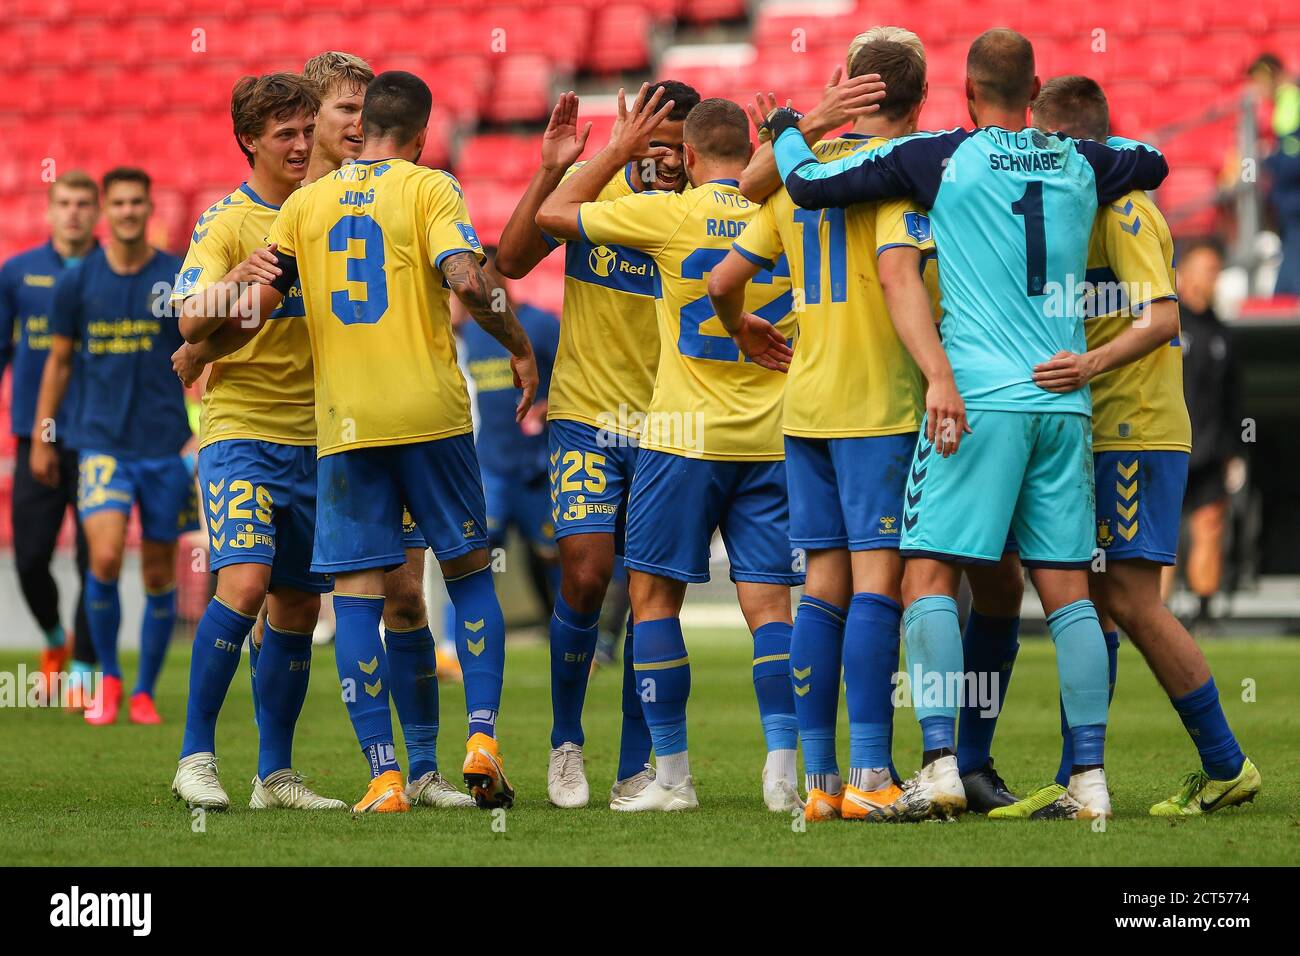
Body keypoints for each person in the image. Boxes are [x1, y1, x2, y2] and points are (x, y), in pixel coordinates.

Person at [769, 28, 1169, 821]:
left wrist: (786, 122)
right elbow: (1152, 160)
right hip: (1062, 403)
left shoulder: (940, 157)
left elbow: (810, 186)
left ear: (966, 92)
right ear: (1036, 88)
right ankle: (1089, 781)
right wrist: (1053, 144)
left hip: (976, 404)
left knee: (925, 576)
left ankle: (943, 763)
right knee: (1066, 594)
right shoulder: (1079, 160)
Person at [211, 70, 538, 813]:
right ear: (420, 135)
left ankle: (385, 776)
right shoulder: (430, 188)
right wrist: (517, 342)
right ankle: (480, 738)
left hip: (345, 428)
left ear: (363, 129)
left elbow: (255, 308)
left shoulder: (303, 204)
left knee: (355, 599)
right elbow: (466, 278)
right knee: (465, 575)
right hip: (429, 418)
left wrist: (199, 346)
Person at [987, 78, 1259, 820]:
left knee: (1128, 600)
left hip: (1134, 426)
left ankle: (1226, 763)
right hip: (1101, 427)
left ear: (1067, 138)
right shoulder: (1076, 204)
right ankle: (1081, 778)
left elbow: (1163, 317)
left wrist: (1089, 367)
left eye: (1038, 141)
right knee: (1099, 605)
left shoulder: (1124, 206)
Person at [538, 89, 802, 813]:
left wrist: (611, 154)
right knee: (772, 607)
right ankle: (783, 773)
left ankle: (671, 777)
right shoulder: (782, 212)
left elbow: (551, 217)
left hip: (682, 435)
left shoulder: (669, 213)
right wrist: (799, 132)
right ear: (749, 155)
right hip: (773, 437)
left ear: (686, 157)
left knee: (653, 600)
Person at [710, 30, 935, 821]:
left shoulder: (796, 179)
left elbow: (720, 277)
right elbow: (900, 280)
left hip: (802, 410)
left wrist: (742, 327)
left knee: (822, 591)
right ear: (920, 103)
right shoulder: (900, 182)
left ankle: (820, 783)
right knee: (880, 587)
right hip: (875, 408)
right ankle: (873, 776)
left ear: (849, 85)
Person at [495, 81, 702, 808]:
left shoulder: (708, 202)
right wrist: (558, 165)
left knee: (652, 595)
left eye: (677, 145)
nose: (666, 158)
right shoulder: (597, 188)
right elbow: (511, 264)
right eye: (653, 141)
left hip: (671, 422)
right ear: (630, 135)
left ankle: (639, 765)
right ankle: (565, 743)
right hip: (585, 416)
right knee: (585, 575)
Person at [168, 72, 348, 812]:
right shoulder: (227, 221)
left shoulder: (328, 213)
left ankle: (275, 774)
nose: (302, 145)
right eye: (286, 135)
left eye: (308, 131)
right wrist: (234, 283)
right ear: (249, 141)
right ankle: (195, 757)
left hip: (320, 436)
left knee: (298, 610)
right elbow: (185, 315)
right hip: (241, 430)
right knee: (242, 584)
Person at [32, 167, 197, 727]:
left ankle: (145, 690)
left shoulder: (175, 276)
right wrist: (43, 434)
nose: (127, 211)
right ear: (108, 210)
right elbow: (57, 362)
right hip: (99, 444)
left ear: (150, 207)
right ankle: (108, 679)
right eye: (119, 203)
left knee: (157, 574)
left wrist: (204, 427)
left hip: (164, 448)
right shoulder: (78, 283)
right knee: (102, 558)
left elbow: (207, 351)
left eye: (136, 203)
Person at [0, 170, 98, 704]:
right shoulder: (17, 274)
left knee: (94, 558)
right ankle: (55, 640)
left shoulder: (114, 272)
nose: (75, 212)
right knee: (30, 558)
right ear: (49, 210)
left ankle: (84, 666)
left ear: (96, 211)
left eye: (85, 203)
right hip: (35, 436)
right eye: (65, 202)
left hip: (99, 437)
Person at [454, 245, 560, 606]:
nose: (475, 284)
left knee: (554, 554)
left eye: (482, 275)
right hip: (491, 466)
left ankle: (571, 639)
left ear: (501, 277)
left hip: (539, 465)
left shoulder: (542, 325)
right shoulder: (470, 333)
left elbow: (575, 375)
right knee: (479, 554)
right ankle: (459, 642)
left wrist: (550, 406)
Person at [1175, 239, 1244, 632]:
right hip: (1167, 448)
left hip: (1211, 450)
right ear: (1183, 274)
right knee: (1162, 537)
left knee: (1208, 527)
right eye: (1203, 270)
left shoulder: (1224, 334)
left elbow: (1235, 399)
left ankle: (1204, 611)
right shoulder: (1165, 324)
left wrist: (1236, 452)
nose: (1209, 280)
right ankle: (1156, 613)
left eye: (1215, 272)